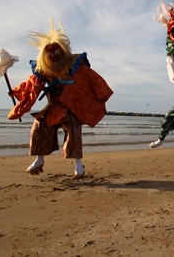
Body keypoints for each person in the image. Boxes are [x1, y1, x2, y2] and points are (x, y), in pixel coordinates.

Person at [8, 19, 113, 178]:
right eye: (51, 53)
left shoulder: (74, 66)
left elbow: (92, 78)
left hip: (69, 107)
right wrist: (16, 92)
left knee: (73, 129)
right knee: (39, 126)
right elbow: (30, 85)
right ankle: (39, 159)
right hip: (52, 107)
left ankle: (78, 165)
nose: (55, 56)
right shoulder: (43, 71)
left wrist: (99, 94)